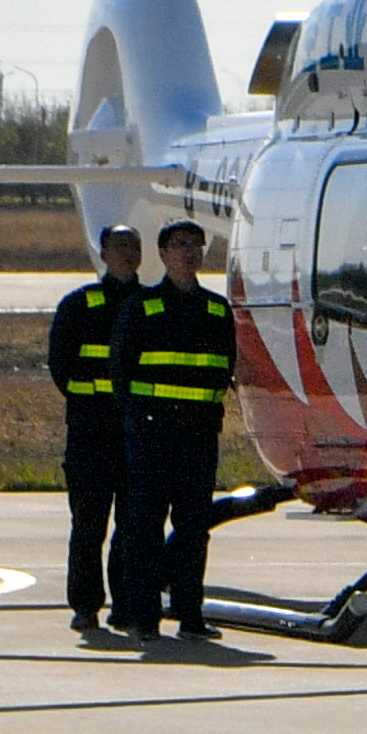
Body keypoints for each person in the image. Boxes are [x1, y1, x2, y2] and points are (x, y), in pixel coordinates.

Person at [107, 218, 242, 644]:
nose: (189, 252)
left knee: (193, 529)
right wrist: (139, 422)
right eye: (180, 244)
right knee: (145, 527)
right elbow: (120, 373)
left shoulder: (217, 310)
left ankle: (190, 614)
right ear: (163, 254)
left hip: (198, 437)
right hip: (152, 436)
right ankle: (144, 616)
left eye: (196, 245)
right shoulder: (143, 308)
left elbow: (226, 368)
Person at [47, 225, 145, 642]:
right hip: (91, 435)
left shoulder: (149, 305)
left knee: (134, 525)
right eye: (120, 245)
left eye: (134, 246)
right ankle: (86, 607)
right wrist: (91, 404)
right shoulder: (79, 305)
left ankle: (126, 606)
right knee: (88, 524)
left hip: (136, 433)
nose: (128, 252)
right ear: (102, 252)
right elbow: (60, 366)